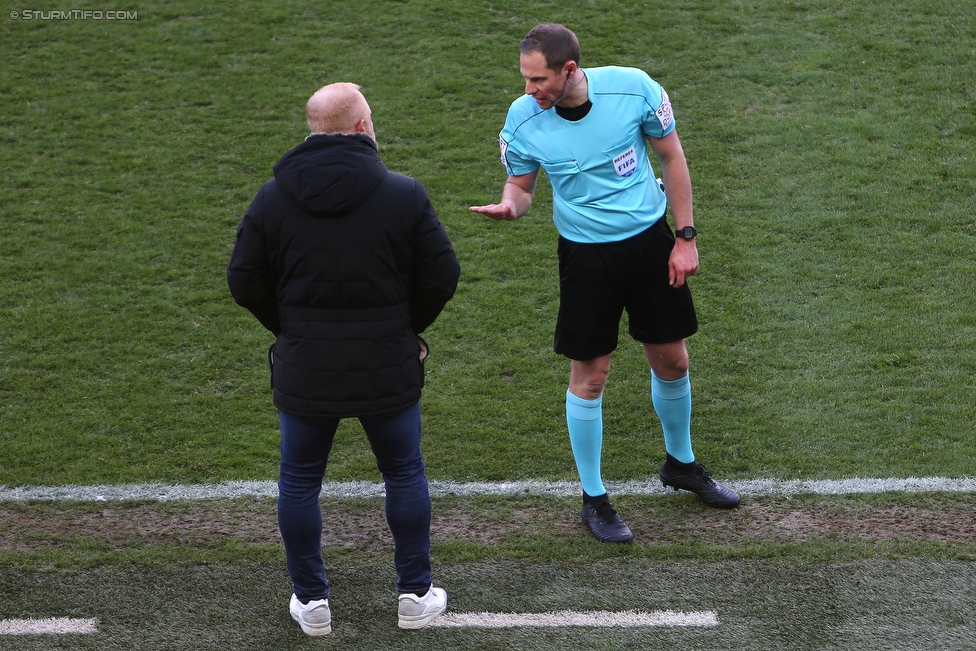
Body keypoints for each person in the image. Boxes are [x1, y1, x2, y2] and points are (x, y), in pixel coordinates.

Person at [470, 24, 739, 544]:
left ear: (570, 70)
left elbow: (672, 158)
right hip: (586, 258)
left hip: (649, 244)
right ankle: (594, 499)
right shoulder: (522, 118)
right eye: (525, 79)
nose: (530, 90)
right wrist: (511, 205)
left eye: (539, 79)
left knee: (673, 359)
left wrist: (684, 238)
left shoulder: (633, 88)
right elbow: (521, 186)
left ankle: (680, 464)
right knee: (590, 375)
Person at [228, 82, 460, 634]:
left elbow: (243, 282)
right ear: (361, 127)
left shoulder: (272, 197)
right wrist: (407, 327)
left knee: (299, 480)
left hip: (306, 365)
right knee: (403, 472)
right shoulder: (403, 194)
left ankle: (311, 603)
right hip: (387, 360)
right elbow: (442, 276)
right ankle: (414, 595)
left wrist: (290, 328)